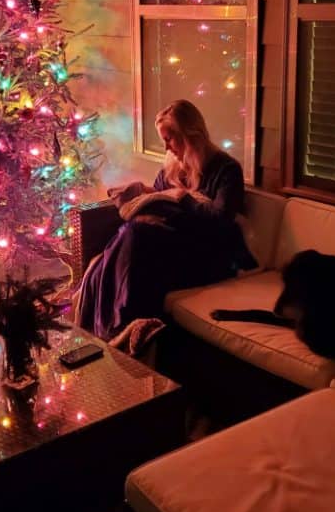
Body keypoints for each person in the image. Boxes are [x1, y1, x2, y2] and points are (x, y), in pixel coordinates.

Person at [76, 99, 257, 341]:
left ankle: (117, 327)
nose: (166, 147)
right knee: (134, 232)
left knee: (136, 235)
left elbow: (220, 221)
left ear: (190, 134)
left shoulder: (226, 170)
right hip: (169, 246)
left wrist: (182, 197)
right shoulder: (171, 168)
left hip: (209, 254)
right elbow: (160, 202)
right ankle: (117, 327)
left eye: (169, 139)